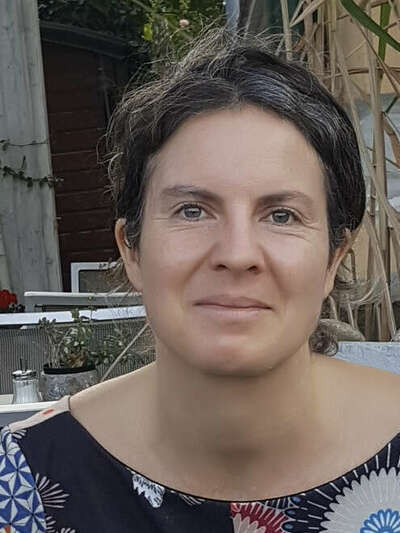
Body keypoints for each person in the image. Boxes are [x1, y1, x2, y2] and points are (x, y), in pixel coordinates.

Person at [2, 30, 400, 533]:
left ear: (333, 258)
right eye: (192, 210)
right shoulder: (24, 482)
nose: (236, 254)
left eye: (281, 215)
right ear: (131, 249)